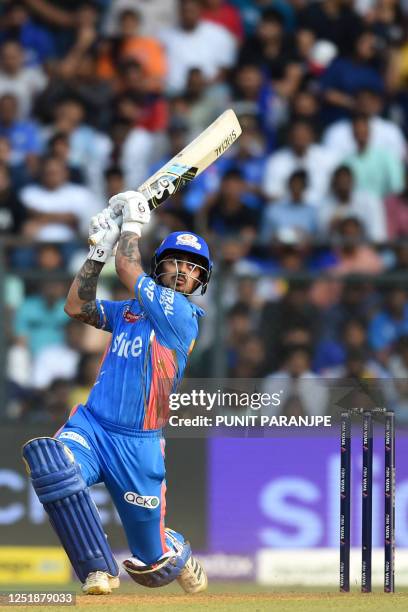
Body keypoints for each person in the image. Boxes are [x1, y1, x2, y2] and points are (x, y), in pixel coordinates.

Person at [22, 190, 211, 595]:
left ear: (201, 280)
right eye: (176, 262)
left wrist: (131, 224)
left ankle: (173, 548)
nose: (182, 272)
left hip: (139, 445)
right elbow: (77, 308)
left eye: (193, 268)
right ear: (161, 266)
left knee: (154, 566)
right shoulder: (130, 310)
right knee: (52, 465)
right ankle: (98, 570)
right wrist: (98, 252)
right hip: (93, 426)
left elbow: (127, 266)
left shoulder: (181, 316)